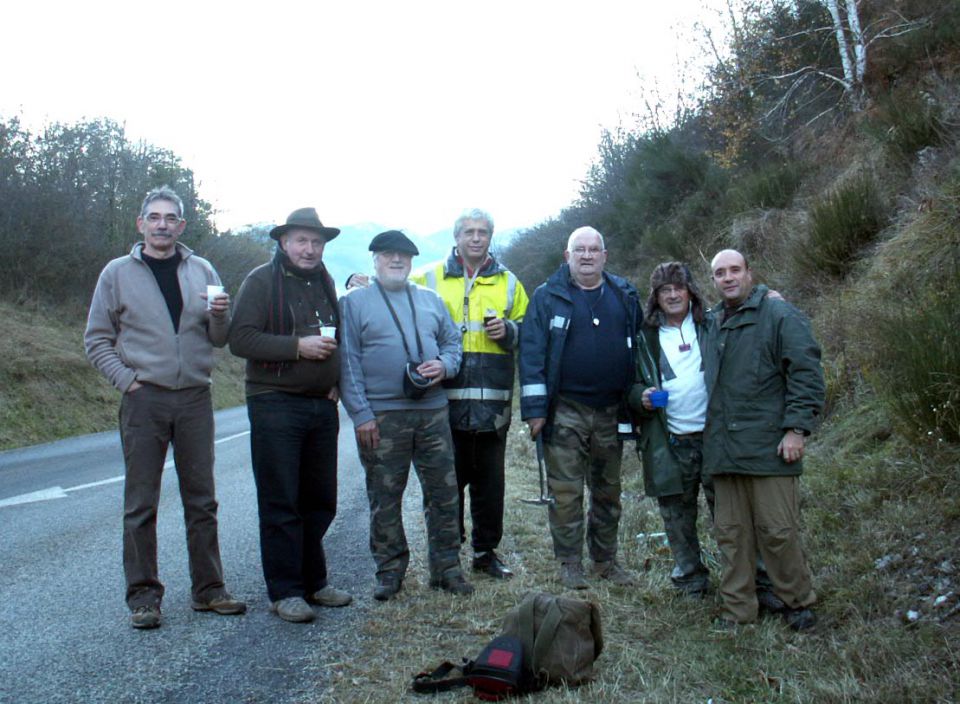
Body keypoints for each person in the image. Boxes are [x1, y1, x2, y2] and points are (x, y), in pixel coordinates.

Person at [84, 185, 246, 629]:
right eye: (153, 217)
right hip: (144, 399)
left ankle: (209, 590)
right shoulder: (116, 273)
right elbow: (96, 339)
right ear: (141, 224)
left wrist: (219, 315)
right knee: (141, 503)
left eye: (169, 218)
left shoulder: (203, 269)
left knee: (202, 499)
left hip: (195, 397)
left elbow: (219, 338)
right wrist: (128, 381)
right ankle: (143, 597)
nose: (161, 225)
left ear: (181, 225)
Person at [628, 262, 782, 602]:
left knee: (732, 518)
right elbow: (630, 385)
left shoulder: (712, 324)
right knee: (677, 517)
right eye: (664, 290)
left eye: (678, 288)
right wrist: (641, 398)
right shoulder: (645, 338)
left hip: (716, 439)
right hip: (670, 443)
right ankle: (691, 580)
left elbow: (743, 307)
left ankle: (754, 581)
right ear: (655, 298)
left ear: (690, 292)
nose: (672, 295)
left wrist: (767, 298)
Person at [228, 207, 352, 623]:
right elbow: (241, 339)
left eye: (316, 242)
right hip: (274, 402)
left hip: (321, 404)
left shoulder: (325, 282)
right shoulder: (261, 281)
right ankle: (286, 591)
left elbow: (337, 338)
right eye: (302, 240)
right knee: (282, 500)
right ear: (283, 243)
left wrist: (334, 378)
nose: (310, 249)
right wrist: (297, 347)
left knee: (320, 500)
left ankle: (315, 581)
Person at [339, 230, 472, 601]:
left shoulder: (430, 300)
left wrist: (444, 366)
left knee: (444, 494)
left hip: (433, 413)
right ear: (375, 260)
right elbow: (347, 363)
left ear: (411, 261)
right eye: (387, 255)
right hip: (382, 417)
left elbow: (452, 343)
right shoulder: (354, 303)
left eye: (403, 256)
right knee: (385, 496)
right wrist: (361, 414)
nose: (396, 261)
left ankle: (447, 569)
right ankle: (390, 571)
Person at [703, 249, 824, 630]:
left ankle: (798, 604)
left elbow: (806, 372)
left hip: (770, 447)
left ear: (750, 273)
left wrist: (796, 429)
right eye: (720, 272)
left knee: (778, 532)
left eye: (735, 270)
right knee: (731, 537)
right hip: (723, 449)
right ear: (713, 280)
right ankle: (738, 611)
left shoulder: (779, 314)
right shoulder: (709, 323)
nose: (728, 277)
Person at [410, 208, 529, 579]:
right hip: (440, 403)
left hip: (492, 407)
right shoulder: (427, 277)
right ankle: (446, 555)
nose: (475, 238)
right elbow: (394, 299)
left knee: (490, 486)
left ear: (490, 237)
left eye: (482, 232)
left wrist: (509, 331)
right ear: (456, 237)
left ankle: (485, 553)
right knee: (445, 486)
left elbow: (529, 332)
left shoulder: (510, 283)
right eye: (468, 232)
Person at [519, 226, 639, 590]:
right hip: (565, 410)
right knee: (566, 493)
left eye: (593, 249)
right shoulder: (546, 297)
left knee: (608, 491)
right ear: (566, 256)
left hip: (611, 411)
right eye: (579, 250)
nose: (587, 256)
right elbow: (531, 354)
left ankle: (605, 561)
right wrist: (535, 410)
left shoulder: (625, 294)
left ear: (605, 255)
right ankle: (570, 563)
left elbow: (652, 334)